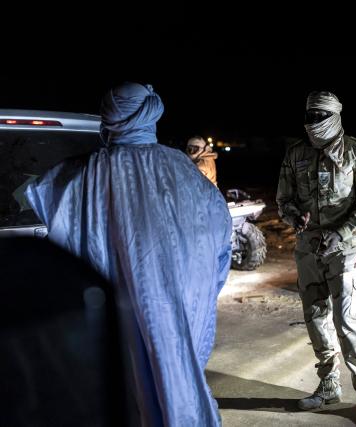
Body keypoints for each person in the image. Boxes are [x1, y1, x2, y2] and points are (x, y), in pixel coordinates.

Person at [25, 82, 232, 426]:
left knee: (129, 393)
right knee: (177, 385)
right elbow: (219, 247)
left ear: (110, 121)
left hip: (115, 326)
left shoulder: (77, 178)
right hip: (183, 316)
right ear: (150, 114)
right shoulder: (185, 171)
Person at [276, 91, 356, 426]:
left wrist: (342, 231)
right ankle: (329, 385)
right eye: (309, 116)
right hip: (309, 251)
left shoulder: (355, 151)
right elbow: (283, 199)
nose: (313, 123)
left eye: (320, 116)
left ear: (335, 116)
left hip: (345, 250)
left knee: (348, 322)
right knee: (316, 318)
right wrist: (295, 218)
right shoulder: (296, 153)